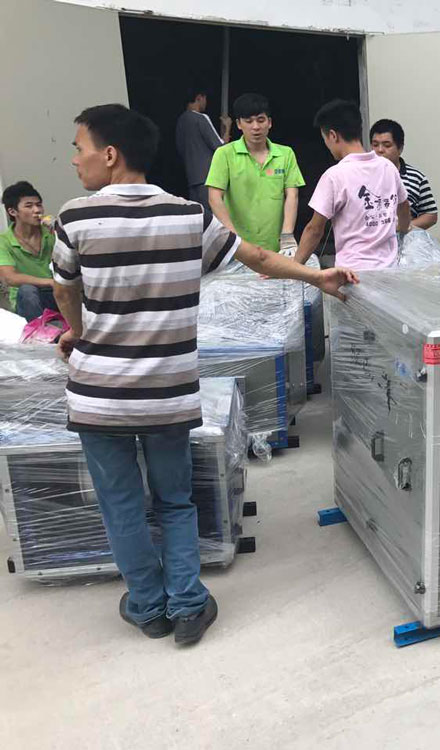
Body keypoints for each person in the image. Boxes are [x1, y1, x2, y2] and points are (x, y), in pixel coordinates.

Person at [50, 103, 358, 646]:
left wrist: (77, 333)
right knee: (174, 499)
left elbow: (63, 289)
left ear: (110, 154)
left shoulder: (74, 217)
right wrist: (317, 277)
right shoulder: (188, 216)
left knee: (121, 503)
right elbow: (256, 257)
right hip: (168, 392)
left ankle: (147, 607)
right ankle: (189, 604)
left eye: (80, 149)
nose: (76, 160)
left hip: (100, 394)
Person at [293, 100, 410, 269]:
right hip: (389, 271)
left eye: (325, 139)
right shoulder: (388, 167)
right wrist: (402, 232)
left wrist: (293, 267)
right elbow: (404, 207)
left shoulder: (335, 176)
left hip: (353, 274)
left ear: (333, 136)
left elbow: (314, 230)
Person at [205, 93, 305, 256]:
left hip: (276, 247)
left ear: (269, 122)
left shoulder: (286, 154)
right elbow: (214, 198)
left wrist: (287, 235)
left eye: (260, 120)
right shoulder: (224, 154)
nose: (255, 127)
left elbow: (292, 195)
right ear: (239, 124)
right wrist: (234, 239)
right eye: (248, 121)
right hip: (238, 249)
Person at [0, 181, 58, 319]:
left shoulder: (51, 233)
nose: (37, 210)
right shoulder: (3, 241)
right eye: (29, 206)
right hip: (27, 298)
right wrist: (50, 282)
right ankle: (38, 330)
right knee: (27, 290)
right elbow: (10, 278)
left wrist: (60, 233)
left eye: (39, 205)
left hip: (55, 292)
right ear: (12, 212)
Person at [369, 118, 438, 231]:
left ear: (400, 148)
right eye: (375, 145)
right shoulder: (362, 176)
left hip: (404, 238)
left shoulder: (416, 178)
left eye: (387, 145)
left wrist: (402, 227)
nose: (380, 150)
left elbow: (431, 215)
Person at [175, 87, 231, 212]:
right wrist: (227, 127)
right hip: (209, 177)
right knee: (216, 215)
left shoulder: (181, 121)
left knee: (200, 216)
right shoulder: (201, 118)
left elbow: (180, 149)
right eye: (205, 99)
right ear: (199, 98)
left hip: (192, 177)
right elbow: (221, 147)